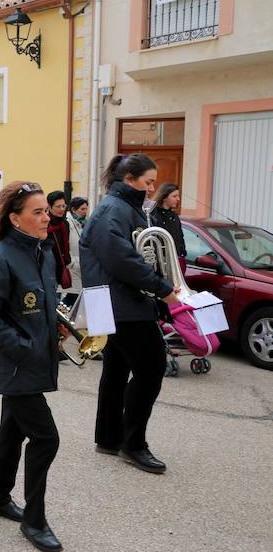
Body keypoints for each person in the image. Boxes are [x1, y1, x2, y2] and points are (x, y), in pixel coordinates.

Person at [0, 181, 66, 552]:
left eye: (46, 210)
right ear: (15, 219)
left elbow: (36, 302)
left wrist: (53, 325)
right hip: (17, 366)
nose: (47, 217)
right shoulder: (0, 258)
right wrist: (23, 346)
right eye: (38, 212)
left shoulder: (42, 252)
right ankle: (35, 520)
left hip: (35, 359)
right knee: (46, 438)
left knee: (12, 429)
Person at [80, 153, 178, 474]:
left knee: (117, 369)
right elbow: (122, 260)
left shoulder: (121, 208)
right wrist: (161, 286)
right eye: (148, 182)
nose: (152, 188)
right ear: (129, 180)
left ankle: (109, 437)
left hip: (111, 301)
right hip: (122, 304)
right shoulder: (114, 210)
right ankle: (133, 444)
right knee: (151, 369)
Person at [150, 183, 187, 273]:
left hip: (176, 261)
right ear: (164, 197)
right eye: (174, 196)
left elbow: (180, 237)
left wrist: (182, 254)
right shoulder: (153, 215)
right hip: (160, 264)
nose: (178, 199)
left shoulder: (174, 216)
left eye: (178, 196)